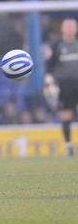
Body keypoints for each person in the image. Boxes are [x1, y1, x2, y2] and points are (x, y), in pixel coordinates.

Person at [44, 18, 78, 157]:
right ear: (62, 29)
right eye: (67, 26)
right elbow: (48, 67)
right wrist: (49, 83)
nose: (70, 29)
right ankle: (68, 146)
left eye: (72, 26)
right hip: (64, 85)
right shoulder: (55, 46)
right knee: (66, 114)